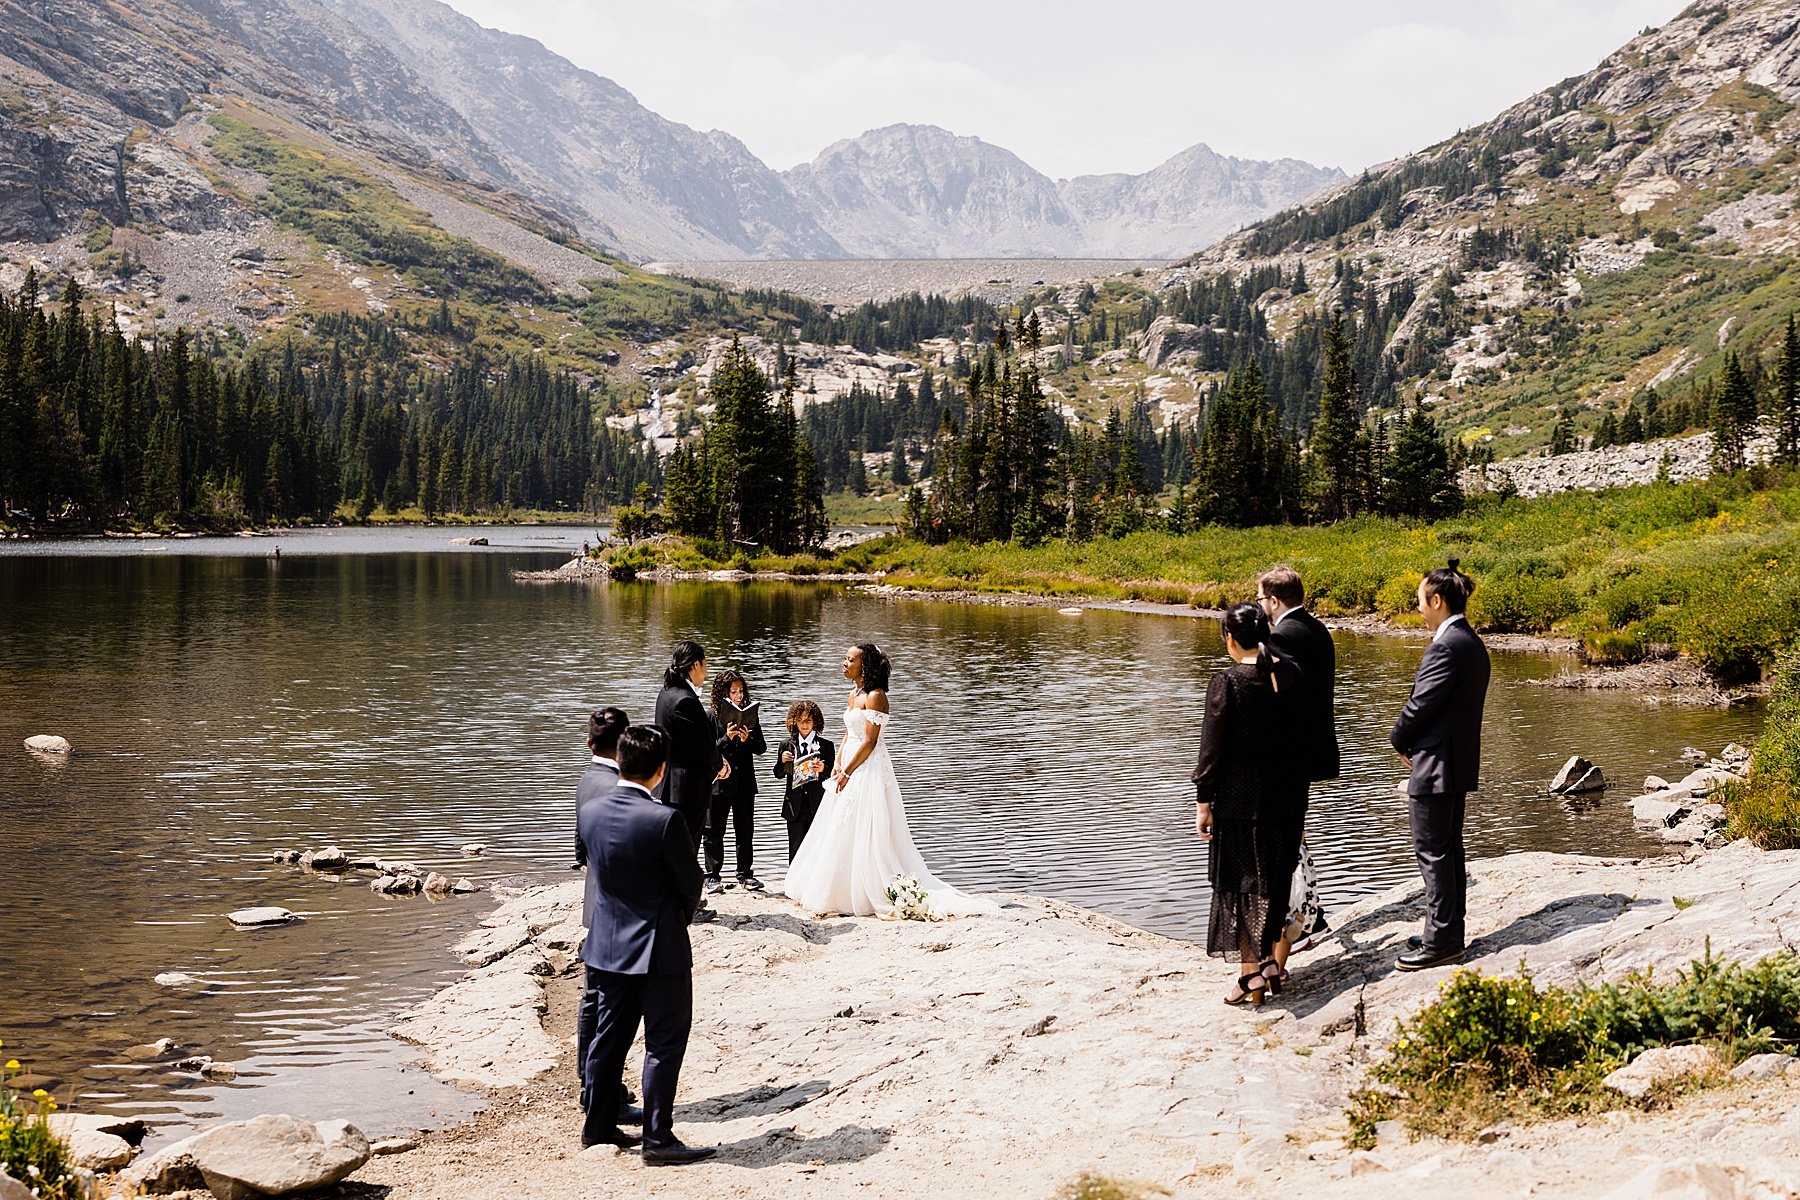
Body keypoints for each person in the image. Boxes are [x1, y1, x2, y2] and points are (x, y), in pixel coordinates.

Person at [578, 724, 714, 1166]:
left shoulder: (592, 811)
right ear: (660, 770)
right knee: (663, 1044)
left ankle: (597, 1128)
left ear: (619, 761)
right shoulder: (665, 819)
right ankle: (658, 1138)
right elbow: (690, 886)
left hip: (605, 946)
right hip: (659, 949)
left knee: (607, 1040)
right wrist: (676, 918)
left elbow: (587, 858)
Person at [784, 643, 997, 918]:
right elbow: (849, 733)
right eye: (845, 658)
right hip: (848, 762)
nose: (844, 663)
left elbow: (871, 741)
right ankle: (838, 887)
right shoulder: (853, 695)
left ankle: (865, 890)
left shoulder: (876, 696)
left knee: (865, 824)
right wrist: (837, 762)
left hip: (867, 767)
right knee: (840, 824)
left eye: (850, 660)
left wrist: (848, 771)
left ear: (865, 665)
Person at [1190, 603, 1306, 1006]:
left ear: (1229, 639)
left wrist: (1204, 800)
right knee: (1275, 879)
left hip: (1241, 799)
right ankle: (1272, 965)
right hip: (1289, 796)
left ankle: (1250, 974)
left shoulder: (1228, 682)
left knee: (1241, 885)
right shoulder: (1290, 675)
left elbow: (1212, 751)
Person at [1390, 558, 1491, 972]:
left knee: (1433, 852)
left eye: (1420, 601)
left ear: (1436, 600)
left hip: (1436, 764)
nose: (1418, 609)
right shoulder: (1470, 641)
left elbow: (1420, 705)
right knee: (1448, 850)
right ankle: (1447, 932)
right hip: (1455, 761)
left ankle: (1440, 942)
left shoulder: (1446, 646)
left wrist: (1399, 737)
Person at [1255, 566, 1340, 981]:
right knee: (1296, 831)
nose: (1261, 608)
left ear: (1273, 601)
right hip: (1315, 746)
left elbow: (1278, 701)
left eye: (1261, 601)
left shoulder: (1281, 636)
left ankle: (1303, 919)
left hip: (1288, 754)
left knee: (1285, 838)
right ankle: (1310, 913)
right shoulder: (1319, 629)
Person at [572, 706, 640, 1121]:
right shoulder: (620, 785)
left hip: (593, 902)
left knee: (592, 999)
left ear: (588, 742)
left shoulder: (585, 781)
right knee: (612, 1008)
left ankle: (592, 1083)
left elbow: (580, 851)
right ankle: (602, 1095)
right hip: (619, 911)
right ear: (626, 743)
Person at [653, 640, 728, 922]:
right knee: (687, 847)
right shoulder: (685, 700)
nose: (706, 671)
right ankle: (687, 904)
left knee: (678, 845)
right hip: (687, 786)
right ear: (695, 665)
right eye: (705, 664)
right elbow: (702, 745)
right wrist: (720, 764)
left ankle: (677, 898)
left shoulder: (666, 693)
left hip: (671, 782)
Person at [705, 669, 767, 893]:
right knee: (714, 830)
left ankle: (745, 874)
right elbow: (708, 750)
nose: (739, 696)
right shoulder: (711, 716)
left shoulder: (750, 716)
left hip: (745, 782)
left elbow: (761, 748)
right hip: (719, 782)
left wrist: (747, 738)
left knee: (745, 830)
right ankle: (712, 875)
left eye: (741, 691)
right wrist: (727, 738)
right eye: (733, 692)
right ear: (723, 692)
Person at [773, 699, 834, 862]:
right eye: (800, 721)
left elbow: (833, 776)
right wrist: (782, 761)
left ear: (815, 721)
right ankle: (794, 885)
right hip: (794, 807)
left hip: (817, 805)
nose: (804, 725)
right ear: (794, 722)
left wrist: (822, 769)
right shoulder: (786, 744)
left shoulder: (827, 746)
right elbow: (778, 774)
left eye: (808, 720)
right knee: (795, 848)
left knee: (819, 848)